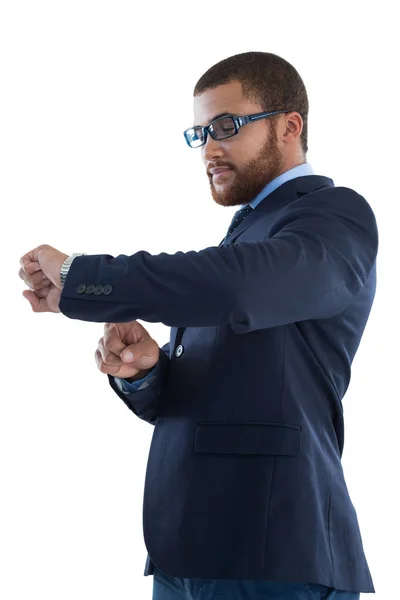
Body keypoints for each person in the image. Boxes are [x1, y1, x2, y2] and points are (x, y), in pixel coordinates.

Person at [19, 51, 378, 600]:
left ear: (289, 126)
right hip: (185, 549)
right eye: (199, 133)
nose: (209, 148)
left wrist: (82, 275)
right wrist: (147, 372)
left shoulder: (334, 217)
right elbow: (220, 389)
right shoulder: (245, 237)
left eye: (226, 127)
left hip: (272, 549)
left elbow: (236, 287)